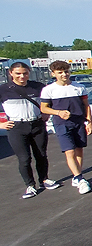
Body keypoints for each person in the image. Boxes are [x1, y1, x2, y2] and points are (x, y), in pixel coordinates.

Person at [1, 62, 59, 199]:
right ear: (11, 73)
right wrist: (1, 124)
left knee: (41, 155)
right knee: (24, 159)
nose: (22, 76)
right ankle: (30, 186)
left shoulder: (38, 87)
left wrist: (47, 114)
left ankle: (44, 180)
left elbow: (49, 102)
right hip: (16, 127)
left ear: (29, 72)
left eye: (25, 73)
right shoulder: (3, 90)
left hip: (37, 124)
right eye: (18, 74)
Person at [40, 60, 92, 195]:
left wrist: (90, 122)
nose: (64, 74)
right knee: (69, 151)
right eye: (60, 72)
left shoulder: (79, 87)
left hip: (78, 122)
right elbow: (44, 108)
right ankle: (80, 179)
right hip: (61, 124)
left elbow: (86, 106)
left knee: (79, 150)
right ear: (53, 74)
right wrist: (58, 112)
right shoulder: (48, 90)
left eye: (66, 71)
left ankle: (77, 175)